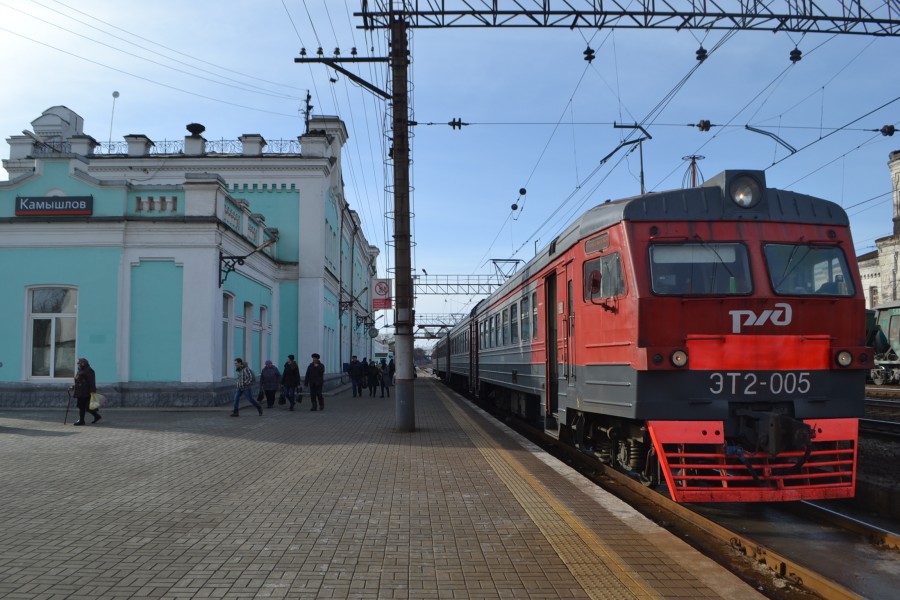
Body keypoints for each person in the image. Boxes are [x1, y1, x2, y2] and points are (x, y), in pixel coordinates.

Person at [71, 357, 100, 426]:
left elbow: (92, 382)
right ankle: (96, 416)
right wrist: (73, 387)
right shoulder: (80, 370)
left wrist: (92, 392)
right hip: (80, 392)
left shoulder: (89, 371)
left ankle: (81, 420)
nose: (78, 365)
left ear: (84, 363)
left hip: (86, 392)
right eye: (78, 363)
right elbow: (79, 381)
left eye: (80, 363)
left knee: (84, 407)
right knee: (84, 407)